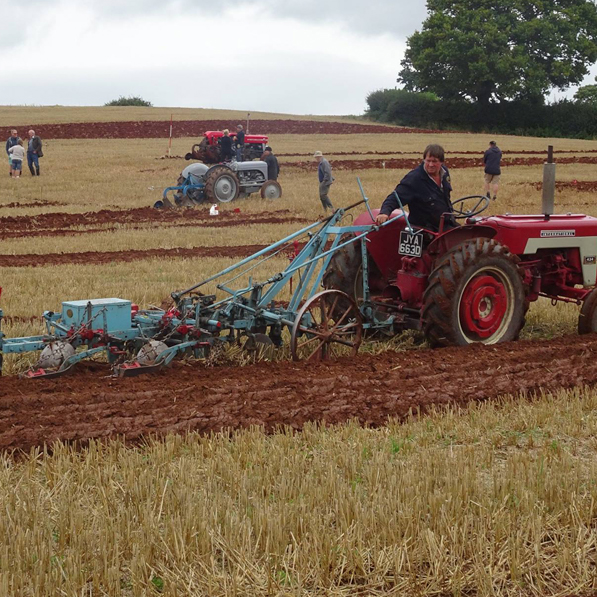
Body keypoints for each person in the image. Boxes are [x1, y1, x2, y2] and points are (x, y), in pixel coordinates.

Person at [375, 144, 456, 232]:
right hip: (425, 228)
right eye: (428, 161)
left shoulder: (444, 173)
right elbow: (396, 197)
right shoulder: (414, 178)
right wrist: (384, 212)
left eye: (434, 161)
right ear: (424, 159)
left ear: (441, 162)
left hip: (445, 224)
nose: (430, 164)